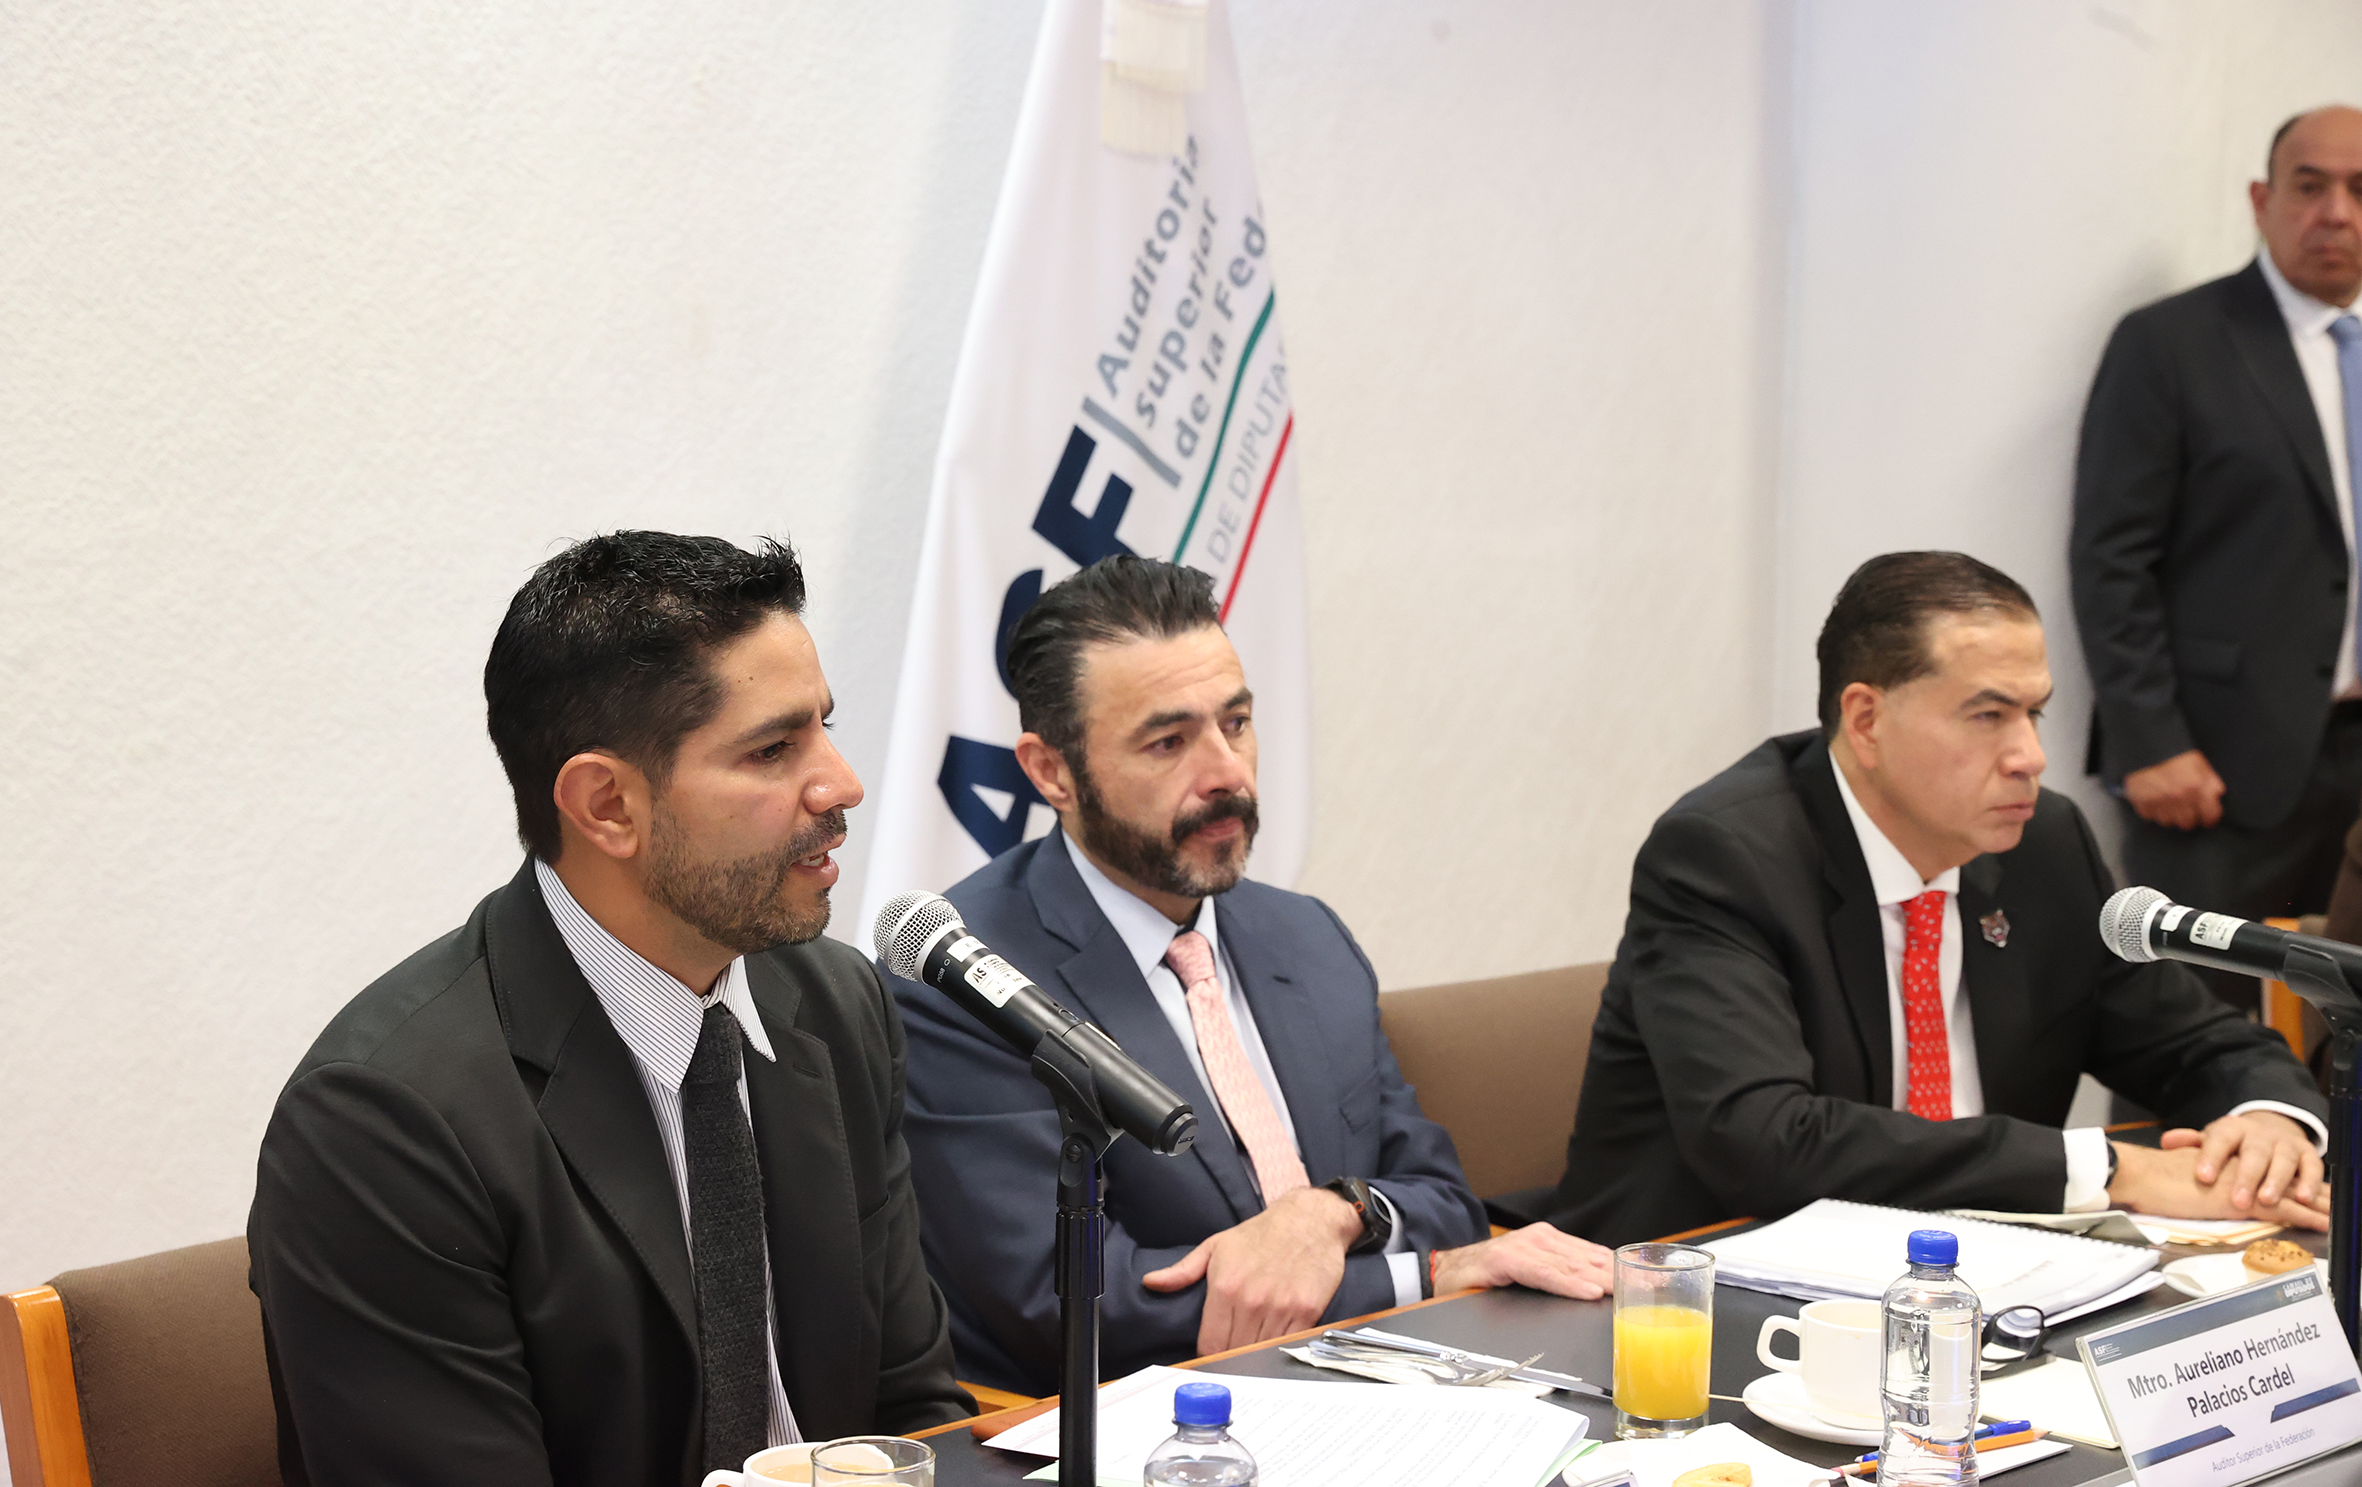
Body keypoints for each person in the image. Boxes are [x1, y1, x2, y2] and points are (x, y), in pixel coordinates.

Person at [248, 532, 970, 1486]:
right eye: (772, 749)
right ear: (607, 806)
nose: (842, 783)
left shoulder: (836, 1005)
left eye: (824, 727)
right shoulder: (384, 1124)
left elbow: (914, 1412)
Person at [888, 555, 1613, 1398]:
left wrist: (1334, 1211)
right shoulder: (969, 976)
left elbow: (1445, 1200)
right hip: (1132, 1418)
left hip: (1384, 1388)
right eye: (1168, 741)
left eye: (1235, 723)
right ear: (1052, 771)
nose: (1226, 772)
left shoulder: (1306, 935)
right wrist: (1416, 1276)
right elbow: (1066, 1298)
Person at [1546, 551, 2330, 1247]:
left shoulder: (2043, 845)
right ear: (1866, 720)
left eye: (2033, 712)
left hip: (1986, 1279)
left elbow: (2198, 1043)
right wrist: (2111, 1170)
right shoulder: (1725, 856)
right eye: (1988, 715)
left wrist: (2266, 1121)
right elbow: (1766, 1139)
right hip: (1701, 1290)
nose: (2030, 756)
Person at [2071, 106, 2362, 996]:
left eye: (2361, 189)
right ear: (2262, 201)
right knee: (2201, 1028)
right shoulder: (2172, 343)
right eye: (2310, 186)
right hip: (2215, 771)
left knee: (2342, 1035)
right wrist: (2150, 739)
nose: (2337, 212)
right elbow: (2110, 555)